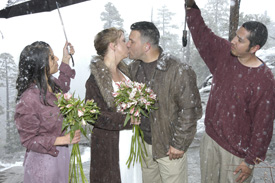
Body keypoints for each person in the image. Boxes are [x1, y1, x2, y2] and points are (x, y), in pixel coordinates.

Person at [185, 1, 275, 183]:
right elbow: (203, 35)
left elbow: (263, 125)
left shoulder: (264, 79)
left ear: (254, 48)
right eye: (236, 36)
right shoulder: (225, 54)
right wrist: (191, 7)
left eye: (240, 40)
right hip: (210, 140)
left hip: (237, 153)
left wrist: (250, 161)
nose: (233, 41)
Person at [127, 21, 202, 183]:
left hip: (169, 148)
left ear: (146, 46)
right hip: (145, 145)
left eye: (131, 41)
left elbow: (190, 110)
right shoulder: (134, 69)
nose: (127, 45)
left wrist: (179, 144)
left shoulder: (178, 69)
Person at [14, 41, 80, 183]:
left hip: (60, 158)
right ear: (41, 65)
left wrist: (66, 59)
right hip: (43, 164)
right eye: (51, 57)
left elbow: (63, 85)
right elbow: (29, 140)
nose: (56, 58)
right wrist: (63, 140)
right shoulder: (29, 98)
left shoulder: (51, 84)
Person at [85, 27, 142, 183]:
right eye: (123, 41)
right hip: (112, 146)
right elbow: (93, 115)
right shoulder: (95, 80)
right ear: (113, 46)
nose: (127, 44)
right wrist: (127, 119)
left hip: (132, 142)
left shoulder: (126, 73)